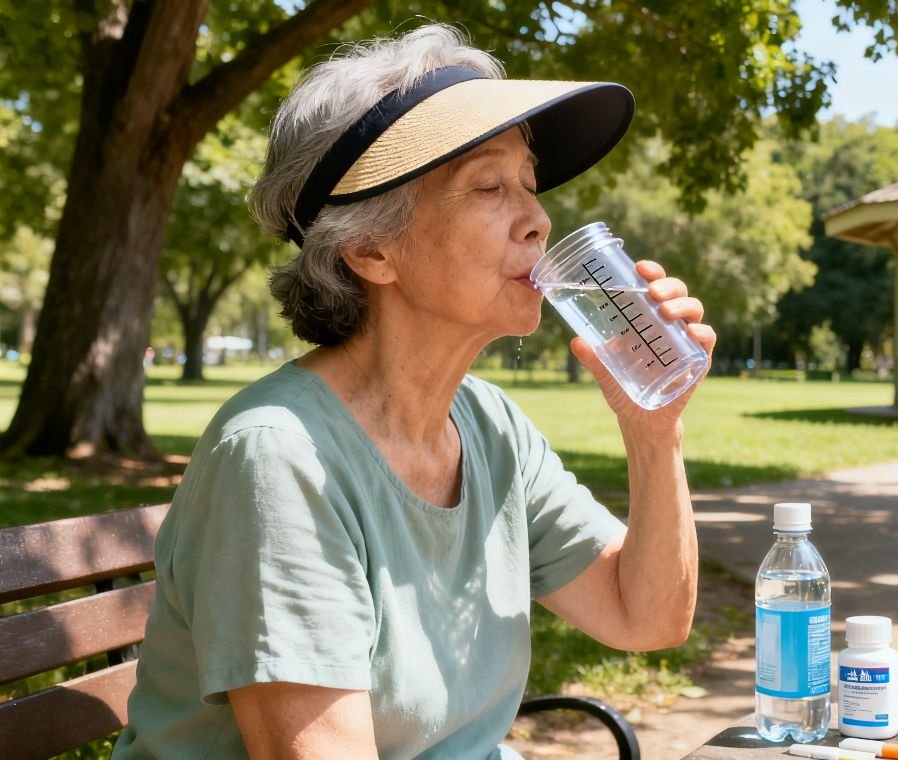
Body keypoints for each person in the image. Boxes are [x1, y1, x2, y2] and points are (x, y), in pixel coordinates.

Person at [113, 23, 713, 759]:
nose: (538, 218)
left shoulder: (489, 426)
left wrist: (656, 429)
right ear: (369, 250)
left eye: (529, 181)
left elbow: (645, 617)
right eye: (489, 186)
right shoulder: (279, 458)